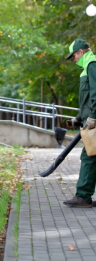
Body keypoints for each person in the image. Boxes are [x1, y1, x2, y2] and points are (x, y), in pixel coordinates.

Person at [64, 38, 96, 208]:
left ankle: (83, 196)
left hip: (94, 122)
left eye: (74, 55)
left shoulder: (92, 64)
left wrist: (93, 117)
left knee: (89, 156)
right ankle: (84, 196)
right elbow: (87, 100)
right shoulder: (87, 67)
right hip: (90, 119)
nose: (73, 59)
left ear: (81, 52)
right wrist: (79, 118)